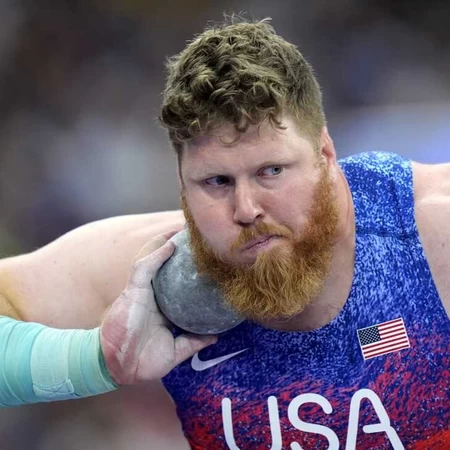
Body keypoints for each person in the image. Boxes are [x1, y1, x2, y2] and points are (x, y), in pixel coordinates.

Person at [1, 18, 449, 449]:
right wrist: (94, 358)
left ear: (325, 155)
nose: (246, 209)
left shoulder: (430, 233)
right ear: (183, 187)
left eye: (271, 171)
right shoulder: (151, 273)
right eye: (216, 182)